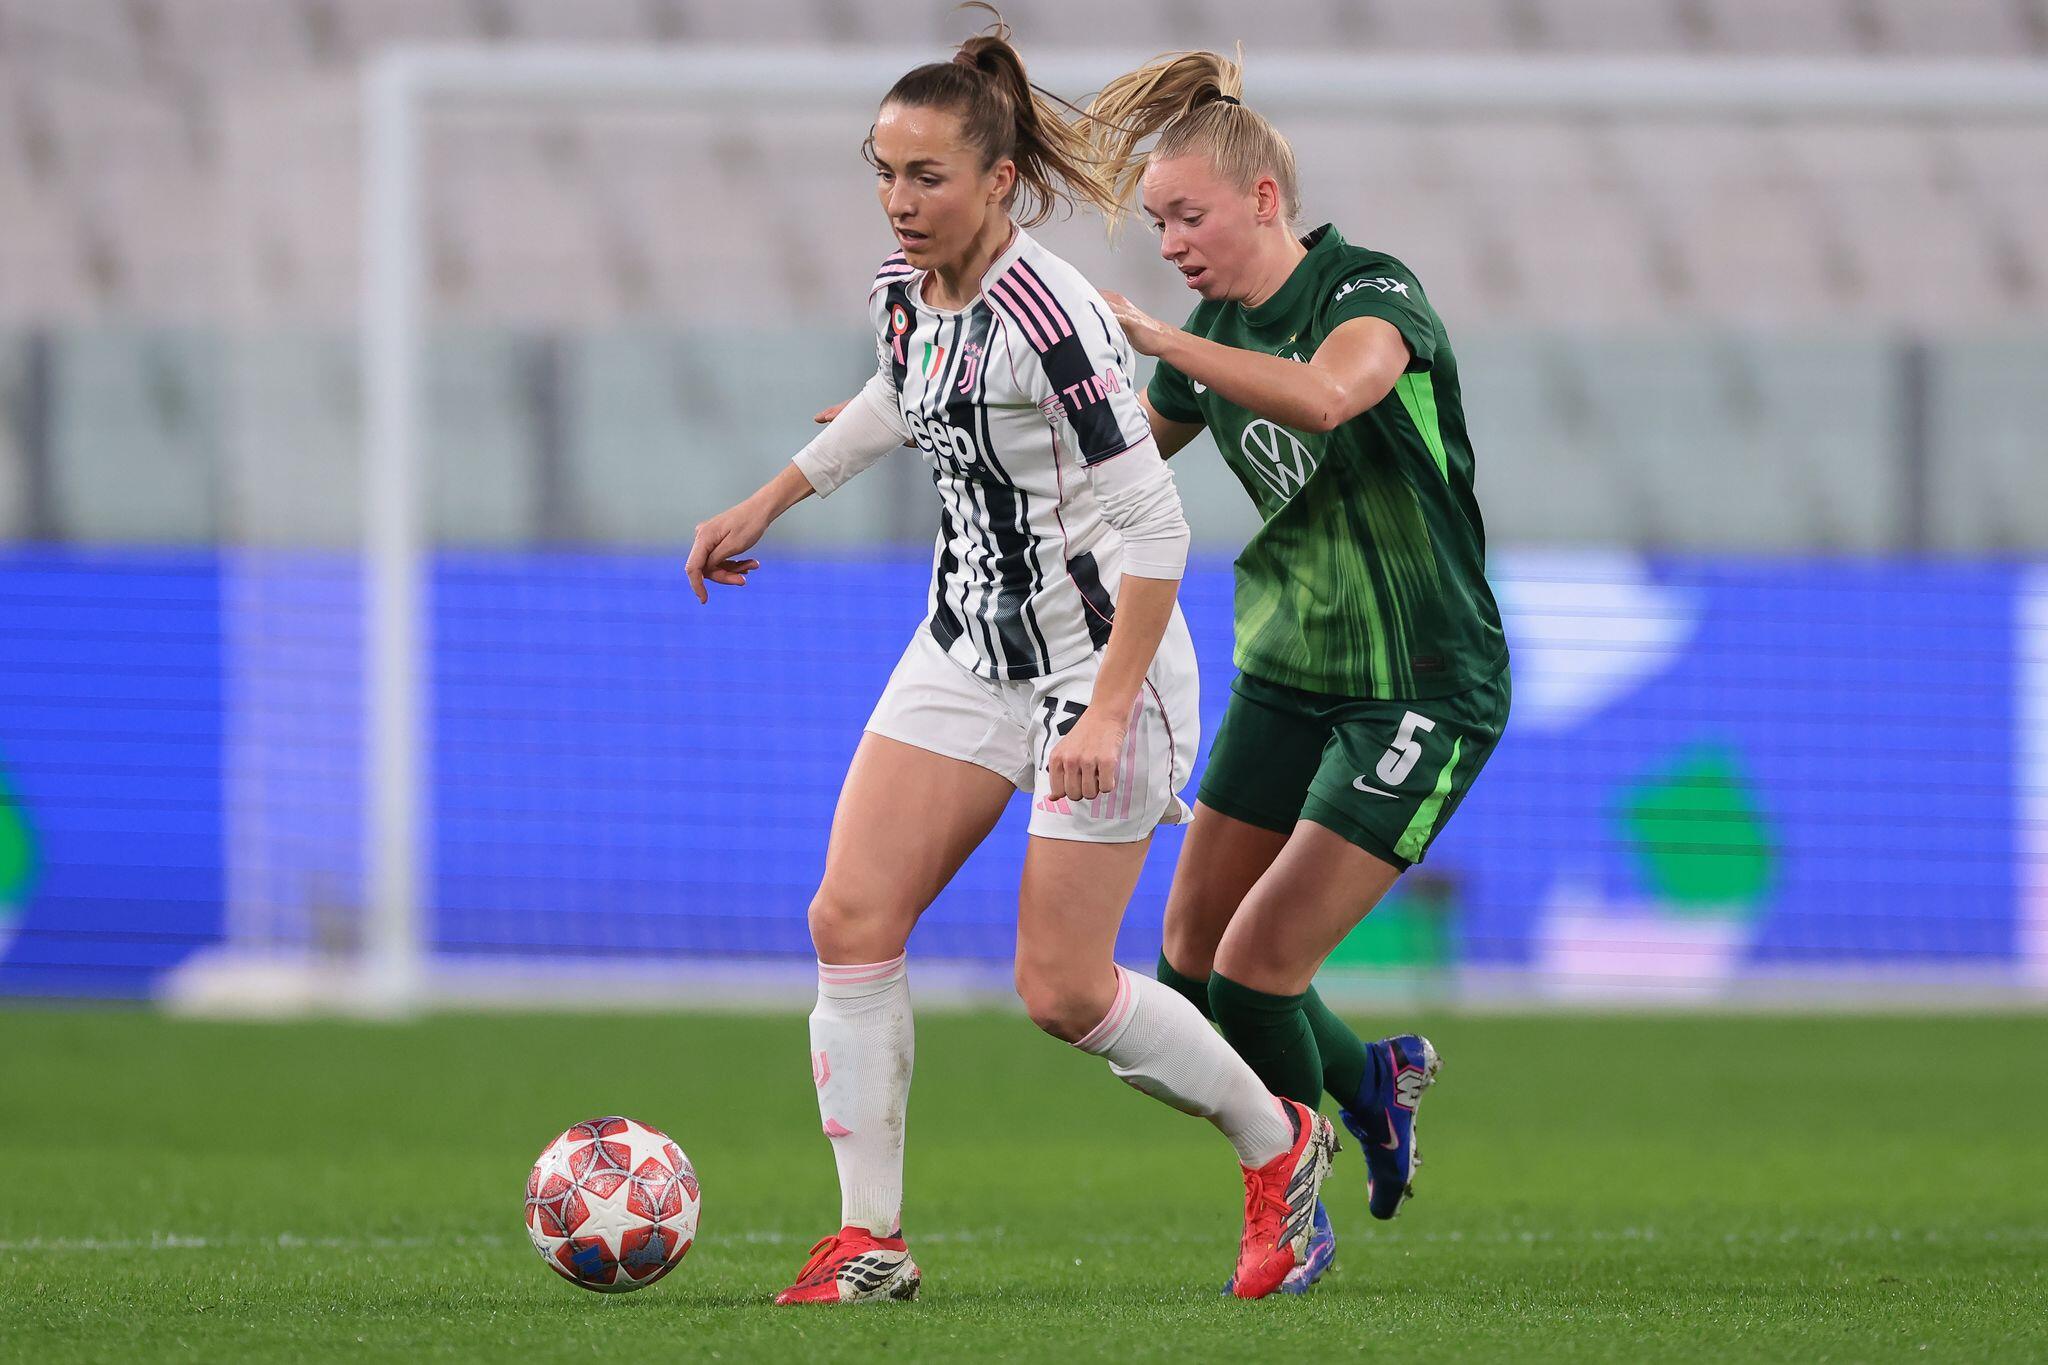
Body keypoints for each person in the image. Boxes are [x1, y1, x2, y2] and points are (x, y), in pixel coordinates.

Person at [684, 20, 1335, 1306]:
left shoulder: (1056, 320)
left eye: (925, 176)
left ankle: (1279, 1142)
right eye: (883, 172)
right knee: (848, 917)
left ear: (998, 182)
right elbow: (900, 391)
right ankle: (870, 1244)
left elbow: (1157, 528)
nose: (898, 199)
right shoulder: (903, 284)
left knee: (1061, 988)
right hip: (967, 645)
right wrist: (770, 499)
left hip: (1102, 666)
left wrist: (1103, 713)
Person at [1082, 49, 1514, 1287]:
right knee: (1186, 968)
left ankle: (1289, 1189)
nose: (1171, 244)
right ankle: (1371, 1081)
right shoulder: (1204, 339)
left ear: (1263, 199)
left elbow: (1327, 397)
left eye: (1187, 216)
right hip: (1285, 667)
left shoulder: (1368, 290)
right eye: (1158, 225)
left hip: (1419, 679)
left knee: (1257, 972)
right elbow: (1117, 465)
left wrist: (1159, 339)